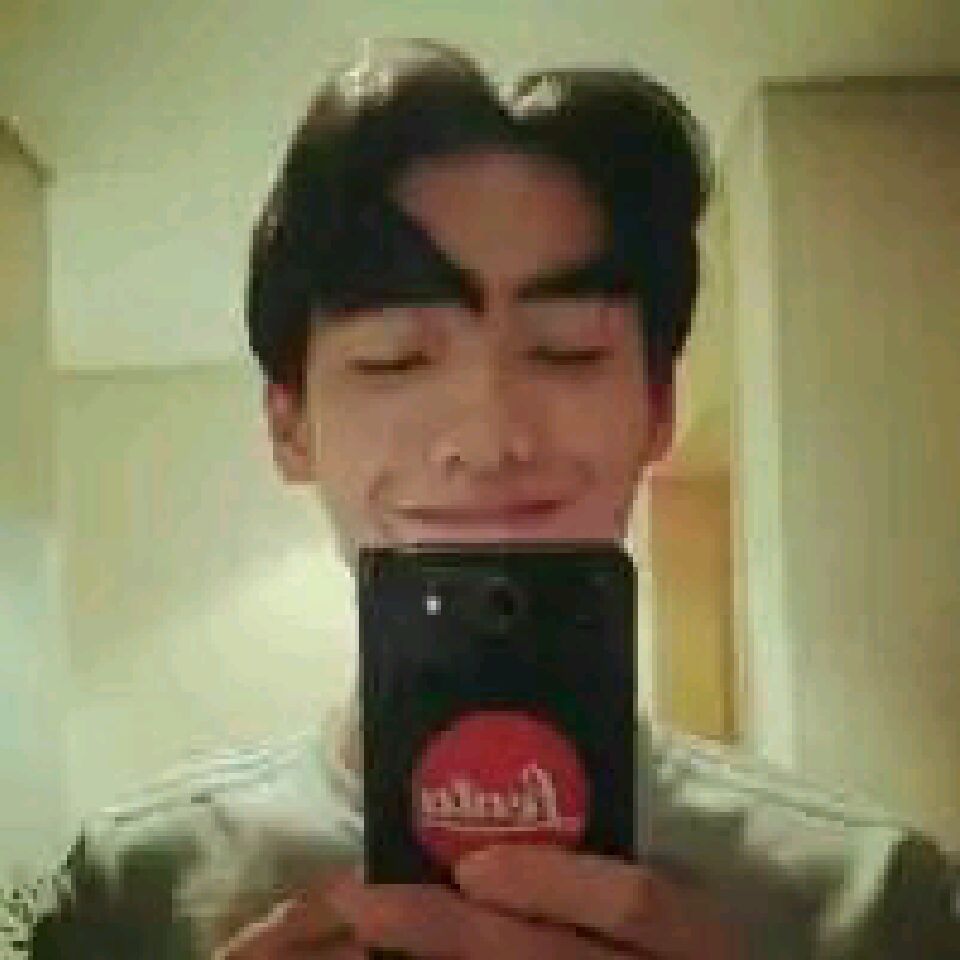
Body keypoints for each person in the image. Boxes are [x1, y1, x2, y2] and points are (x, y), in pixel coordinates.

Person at [9, 38, 958, 959]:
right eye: (395, 359)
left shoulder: (877, 903)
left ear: (658, 408)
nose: (491, 438)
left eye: (566, 351)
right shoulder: (132, 895)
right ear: (290, 426)